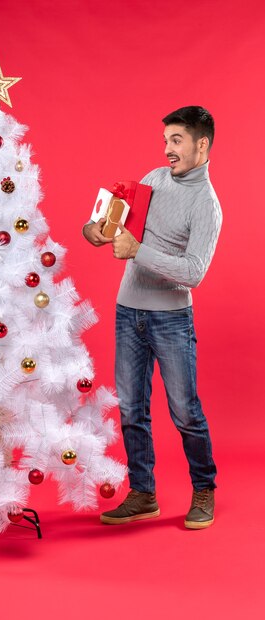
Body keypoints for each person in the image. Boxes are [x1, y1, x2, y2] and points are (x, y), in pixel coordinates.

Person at [83, 106, 222, 530]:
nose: (167, 150)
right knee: (131, 410)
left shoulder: (207, 205)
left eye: (176, 141)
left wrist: (137, 251)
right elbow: (117, 226)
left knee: (185, 411)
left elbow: (194, 272)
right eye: (165, 141)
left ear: (202, 145)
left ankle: (204, 489)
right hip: (129, 313)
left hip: (171, 320)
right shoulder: (153, 179)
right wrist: (96, 230)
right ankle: (143, 494)